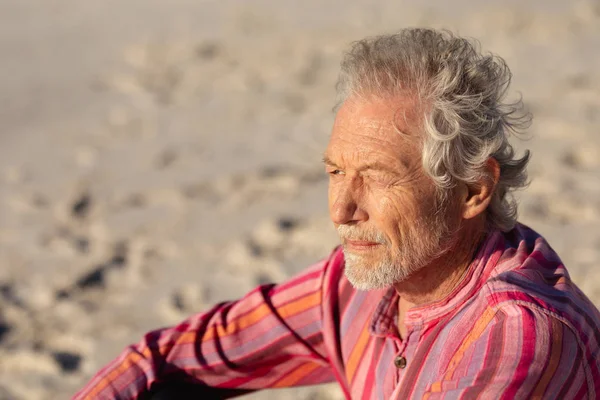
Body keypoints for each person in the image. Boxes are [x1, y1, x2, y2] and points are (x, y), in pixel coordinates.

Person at [73, 28, 600, 400]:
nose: (342, 210)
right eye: (333, 172)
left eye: (376, 176)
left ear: (472, 190)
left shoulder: (518, 335)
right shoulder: (365, 279)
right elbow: (165, 359)